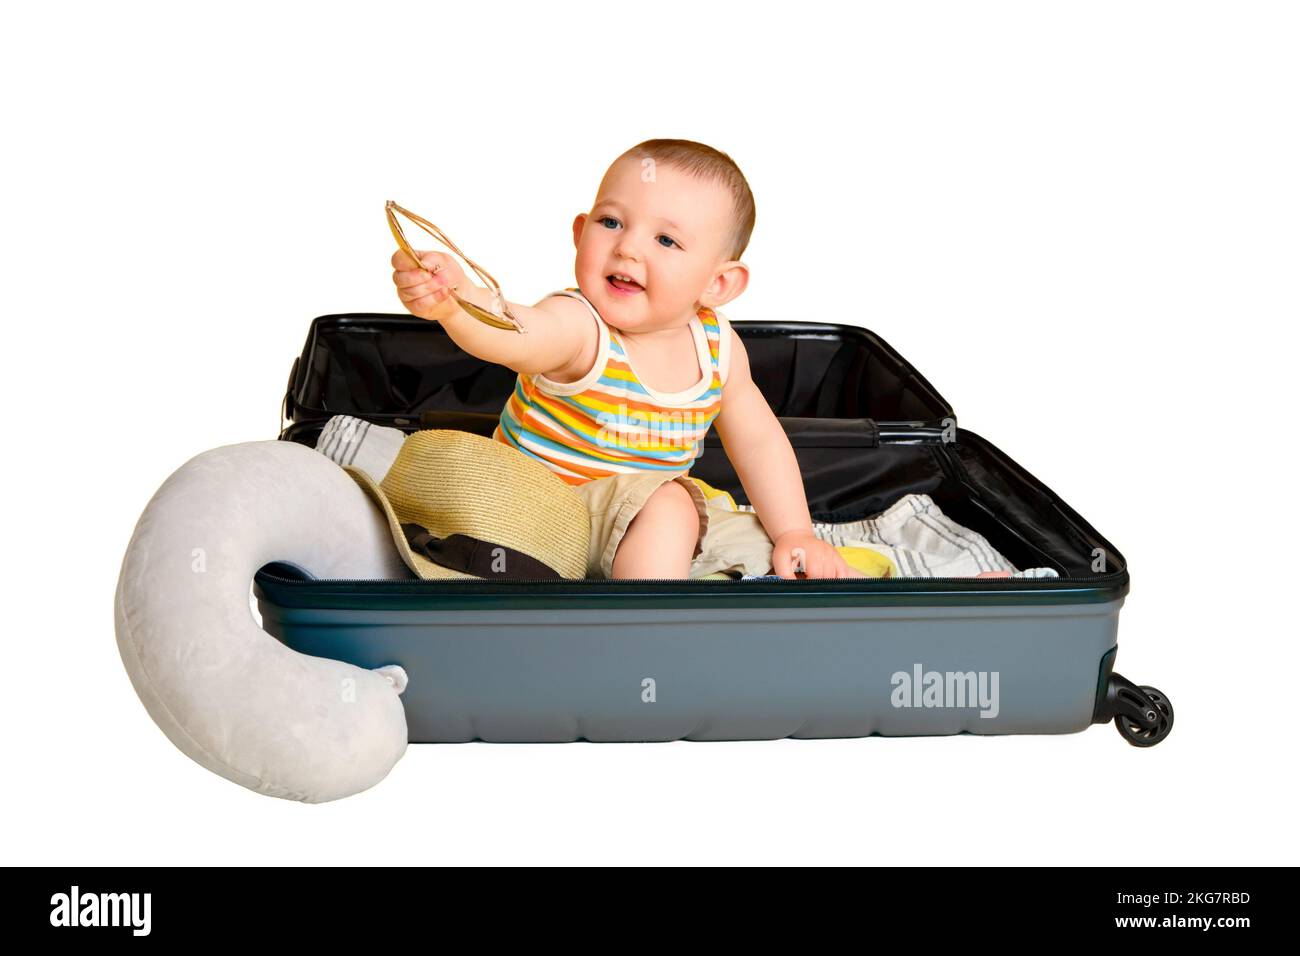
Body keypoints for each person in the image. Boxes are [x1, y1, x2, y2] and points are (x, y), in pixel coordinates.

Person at [390, 138, 866, 581]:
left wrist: (795, 532)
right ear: (580, 233)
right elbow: (518, 334)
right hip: (541, 516)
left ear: (717, 285)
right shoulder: (579, 325)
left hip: (636, 527)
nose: (627, 246)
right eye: (611, 222)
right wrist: (459, 302)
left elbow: (760, 442)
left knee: (755, 543)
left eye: (666, 241)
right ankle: (642, 628)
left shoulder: (718, 347)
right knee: (673, 506)